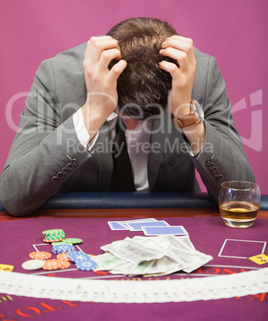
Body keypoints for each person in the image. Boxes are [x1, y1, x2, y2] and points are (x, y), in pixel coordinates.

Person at [0, 17, 255, 216]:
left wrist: (187, 115)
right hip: (82, 223)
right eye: (123, 114)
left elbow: (241, 194)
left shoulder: (199, 75)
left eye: (148, 117)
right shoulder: (57, 76)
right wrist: (94, 111)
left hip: (173, 225)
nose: (132, 126)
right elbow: (13, 196)